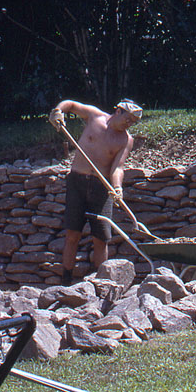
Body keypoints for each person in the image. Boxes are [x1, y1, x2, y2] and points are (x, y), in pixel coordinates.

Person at [49, 98, 142, 285]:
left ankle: (102, 284)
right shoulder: (95, 116)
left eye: (133, 122)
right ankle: (66, 279)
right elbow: (71, 105)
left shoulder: (125, 140)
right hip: (77, 181)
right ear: (118, 111)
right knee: (72, 234)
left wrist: (117, 188)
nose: (129, 123)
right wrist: (58, 111)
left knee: (101, 238)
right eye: (128, 119)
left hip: (102, 187)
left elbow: (118, 168)